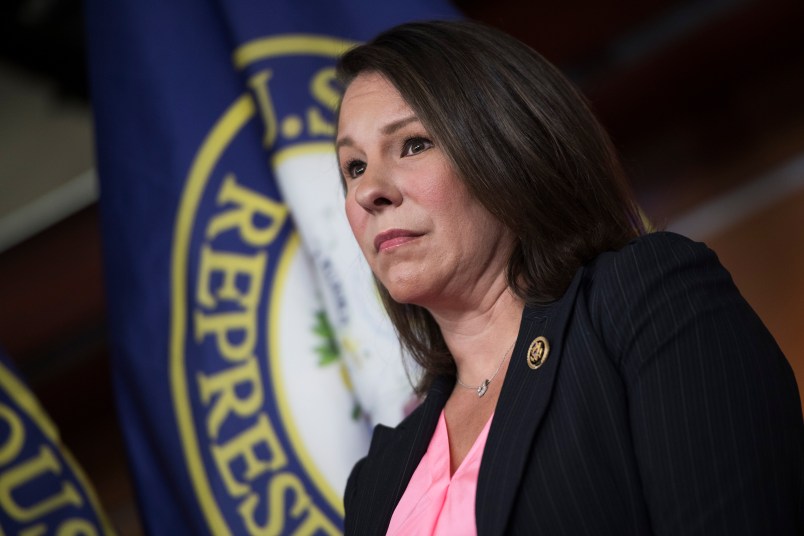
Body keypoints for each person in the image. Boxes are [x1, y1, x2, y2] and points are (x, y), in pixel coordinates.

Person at [334, 20, 803, 535]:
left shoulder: (640, 299)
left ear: (508, 148)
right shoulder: (374, 480)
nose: (367, 191)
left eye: (413, 144)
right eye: (353, 168)